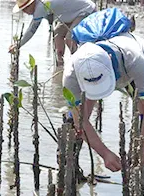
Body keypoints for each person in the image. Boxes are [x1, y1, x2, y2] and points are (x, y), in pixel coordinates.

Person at [62, 31, 144, 172]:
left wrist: (140, 153)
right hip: (96, 74)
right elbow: (80, 121)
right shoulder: (70, 77)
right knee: (76, 119)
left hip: (129, 69)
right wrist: (104, 153)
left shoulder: (136, 61)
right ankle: (70, 167)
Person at [9, 0, 95, 68]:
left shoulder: (41, 7)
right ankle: (60, 66)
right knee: (57, 32)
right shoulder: (41, 4)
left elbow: (31, 30)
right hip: (72, 14)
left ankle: (81, 65)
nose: (25, 12)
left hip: (86, 9)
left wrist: (18, 45)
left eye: (25, 9)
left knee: (70, 38)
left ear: (32, 4)